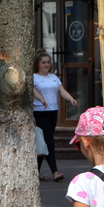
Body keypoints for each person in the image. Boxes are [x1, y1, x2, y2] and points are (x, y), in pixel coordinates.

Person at [33, 49, 77, 182]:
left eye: (48, 62)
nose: (46, 65)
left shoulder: (54, 77)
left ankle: (36, 172)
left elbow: (62, 91)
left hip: (53, 112)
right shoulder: (33, 77)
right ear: (38, 64)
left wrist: (71, 99)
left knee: (44, 142)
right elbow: (32, 92)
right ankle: (55, 171)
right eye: (43, 62)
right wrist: (41, 99)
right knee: (49, 141)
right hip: (40, 112)